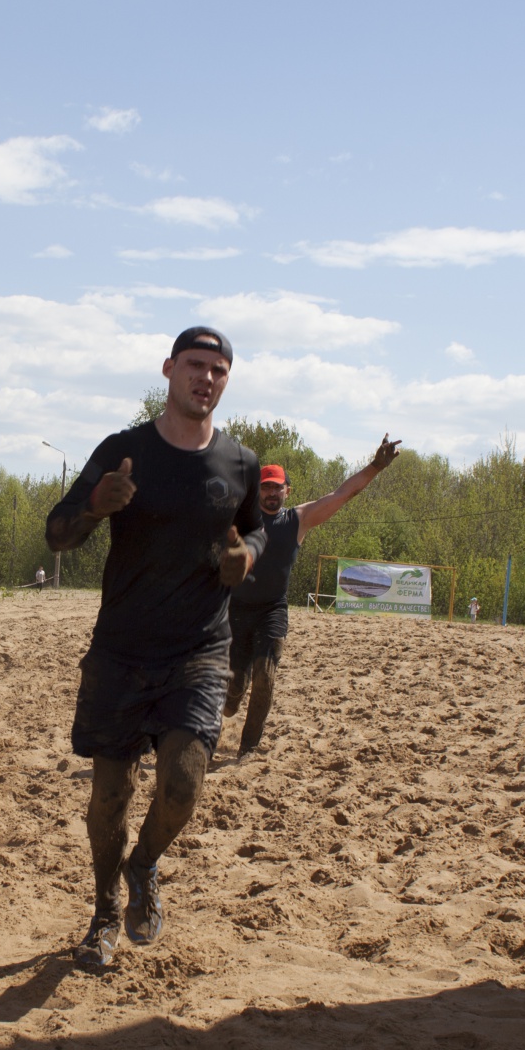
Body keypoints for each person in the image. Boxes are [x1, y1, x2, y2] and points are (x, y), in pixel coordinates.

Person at [46, 326, 266, 970]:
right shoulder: (124, 450)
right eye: (195, 366)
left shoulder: (241, 463)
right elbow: (57, 535)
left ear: (226, 380)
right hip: (120, 651)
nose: (206, 379)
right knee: (108, 797)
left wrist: (243, 558)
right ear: (169, 370)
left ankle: (144, 866)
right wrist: (95, 503)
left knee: (183, 783)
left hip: (199, 652)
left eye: (218, 370)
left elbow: (258, 534)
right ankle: (104, 911)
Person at [225, 440, 400, 757]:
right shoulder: (239, 518)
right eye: (265, 487)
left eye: (277, 488)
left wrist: (376, 466)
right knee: (233, 684)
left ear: (287, 491)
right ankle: (235, 690)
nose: (272, 493)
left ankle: (248, 746)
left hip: (271, 611)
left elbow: (342, 494)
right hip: (234, 610)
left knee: (265, 676)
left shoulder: (298, 520)